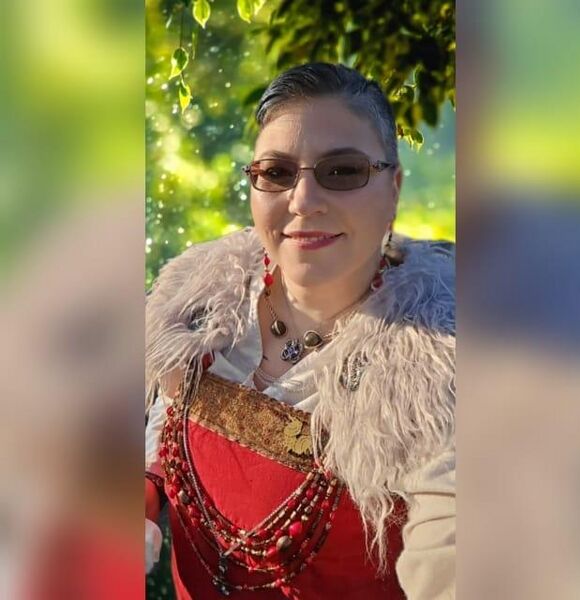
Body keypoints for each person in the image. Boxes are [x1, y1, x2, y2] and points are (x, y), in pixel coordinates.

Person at [145, 63, 455, 599]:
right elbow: (154, 433)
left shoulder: (443, 365)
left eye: (343, 171)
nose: (303, 200)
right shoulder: (198, 307)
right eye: (277, 172)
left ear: (394, 188)